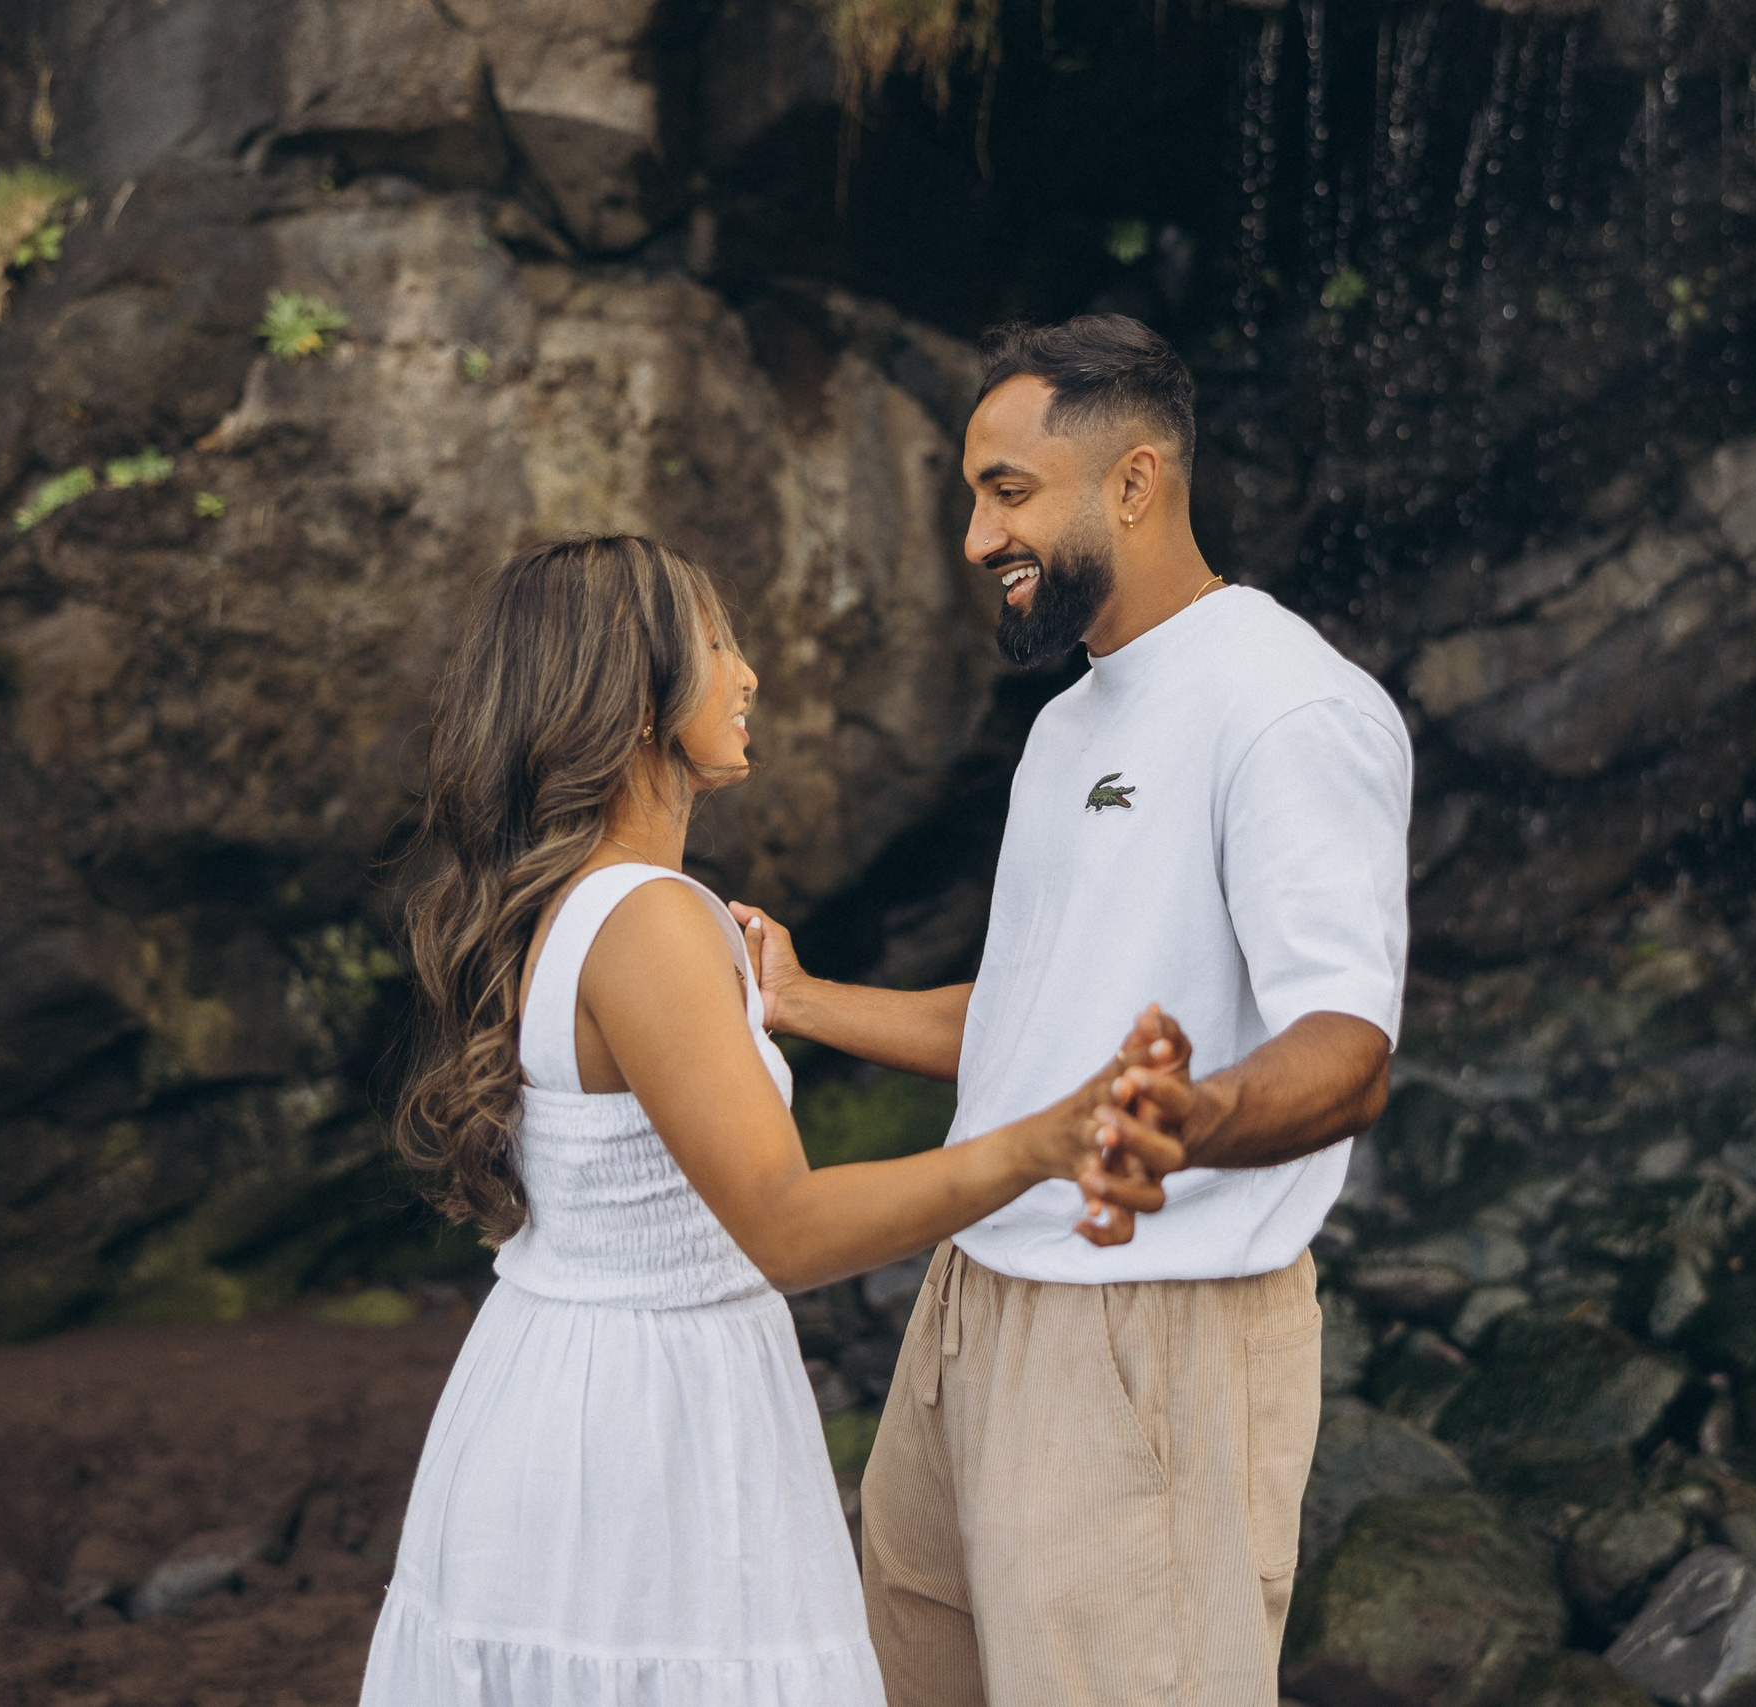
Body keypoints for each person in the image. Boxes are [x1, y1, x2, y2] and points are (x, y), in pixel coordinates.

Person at [358, 533, 1188, 1707]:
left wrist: (801, 1003)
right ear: (635, 697)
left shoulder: (580, 903)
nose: (748, 675)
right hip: (647, 1436)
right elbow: (787, 1227)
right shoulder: (651, 920)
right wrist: (1041, 1145)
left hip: (569, 1387)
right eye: (716, 643)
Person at [731, 315, 1413, 1706]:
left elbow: (1348, 1050)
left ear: (1135, 483)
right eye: (975, 496)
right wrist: (802, 1000)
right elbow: (1034, 1016)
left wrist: (1195, 1115)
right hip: (974, 1291)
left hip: (1149, 1324)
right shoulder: (1070, 722)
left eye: (1008, 490)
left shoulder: (1287, 707)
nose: (980, 536)